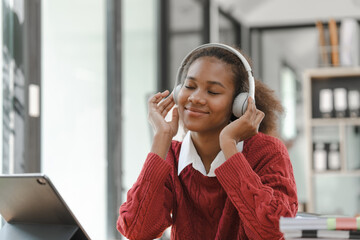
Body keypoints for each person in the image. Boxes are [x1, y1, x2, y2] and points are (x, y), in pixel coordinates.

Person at [117, 44, 298, 240]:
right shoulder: (172, 155)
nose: (195, 98)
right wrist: (161, 138)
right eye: (190, 86)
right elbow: (136, 230)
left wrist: (229, 146)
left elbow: (273, 230)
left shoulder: (267, 151)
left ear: (239, 103)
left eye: (212, 92)